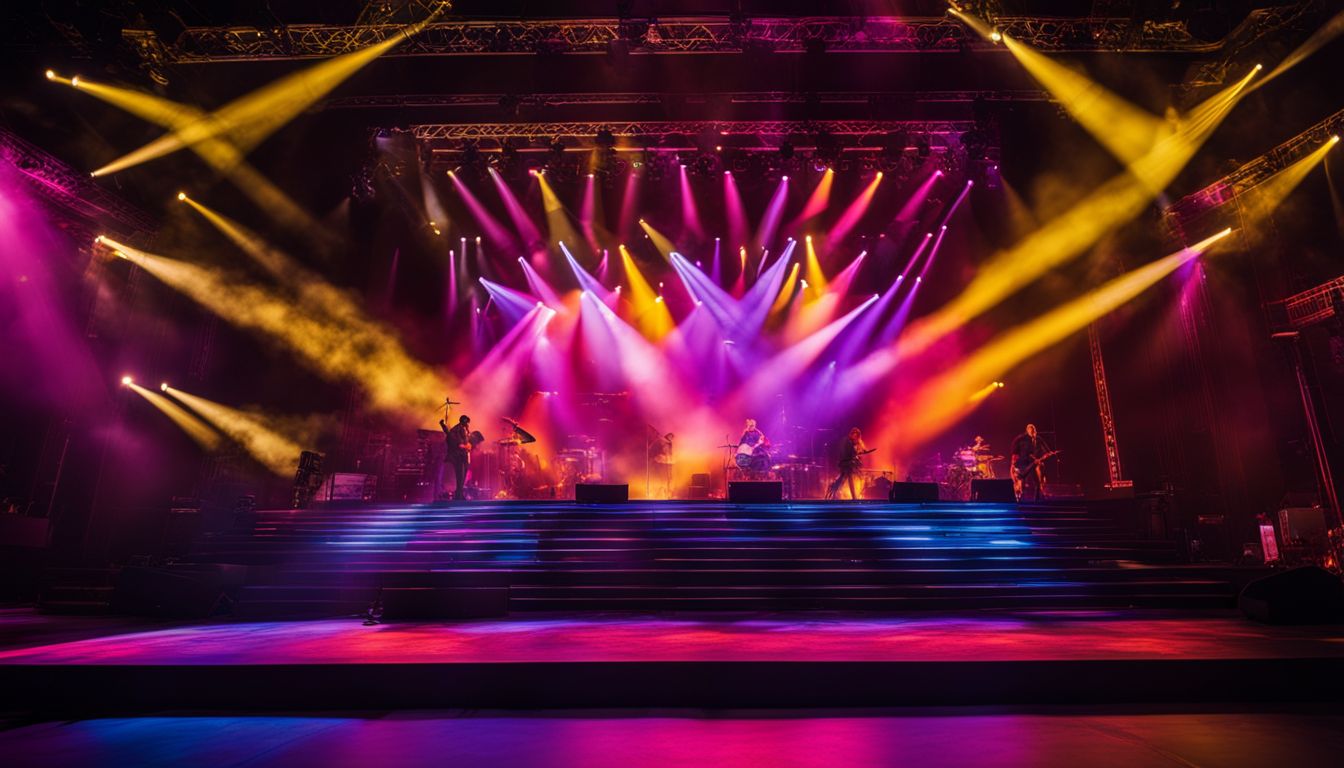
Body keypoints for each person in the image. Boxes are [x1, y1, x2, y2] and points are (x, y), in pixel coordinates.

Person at [826, 427, 869, 500]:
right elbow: (846, 453)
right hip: (845, 463)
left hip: (847, 463)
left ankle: (834, 494)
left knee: (843, 480)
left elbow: (852, 453)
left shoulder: (851, 442)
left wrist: (858, 453)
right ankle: (852, 497)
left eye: (857, 436)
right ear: (851, 434)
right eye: (854, 435)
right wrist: (855, 455)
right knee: (846, 479)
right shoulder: (846, 441)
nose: (855, 437)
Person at [1010, 423, 1050, 502]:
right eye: (1030, 431)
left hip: (1033, 464)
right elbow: (1016, 450)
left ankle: (1037, 500)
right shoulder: (1022, 439)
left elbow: (1045, 450)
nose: (1032, 432)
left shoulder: (1038, 439)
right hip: (1024, 464)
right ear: (1027, 431)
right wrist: (1015, 459)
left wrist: (1046, 454)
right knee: (1022, 482)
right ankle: (1021, 498)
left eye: (1033, 431)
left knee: (1037, 483)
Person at [440, 414, 473, 500]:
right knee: (460, 476)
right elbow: (457, 442)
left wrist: (468, 445)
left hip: (463, 456)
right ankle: (458, 495)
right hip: (458, 457)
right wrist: (465, 446)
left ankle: (459, 494)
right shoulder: (457, 429)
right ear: (465, 422)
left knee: (462, 476)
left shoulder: (463, 429)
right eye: (468, 422)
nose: (469, 424)